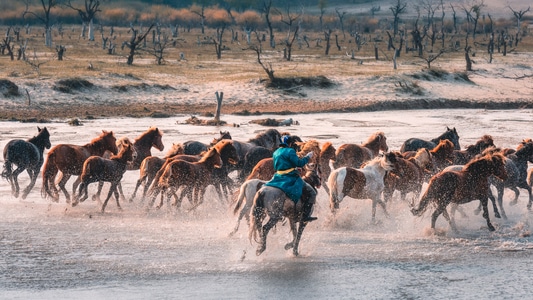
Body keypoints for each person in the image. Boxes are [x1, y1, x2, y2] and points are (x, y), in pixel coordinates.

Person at [264, 135, 317, 222]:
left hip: (277, 176)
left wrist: (293, 168)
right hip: (290, 177)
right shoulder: (290, 151)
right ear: (290, 143)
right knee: (312, 193)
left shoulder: (275, 152)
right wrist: (308, 157)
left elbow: (277, 166)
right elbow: (299, 163)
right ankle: (305, 216)